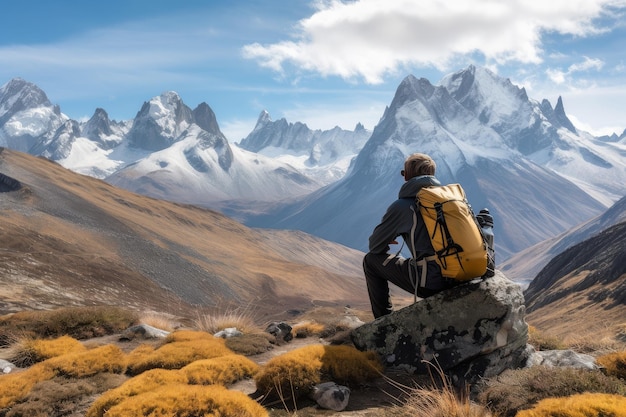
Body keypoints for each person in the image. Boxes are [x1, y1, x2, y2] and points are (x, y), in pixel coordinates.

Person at [363, 153, 458, 318]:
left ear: (406, 176)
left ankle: (383, 321)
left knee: (370, 261)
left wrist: (387, 240)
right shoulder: (452, 200)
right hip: (461, 274)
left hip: (432, 283)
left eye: (403, 173)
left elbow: (375, 246)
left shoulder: (403, 206)